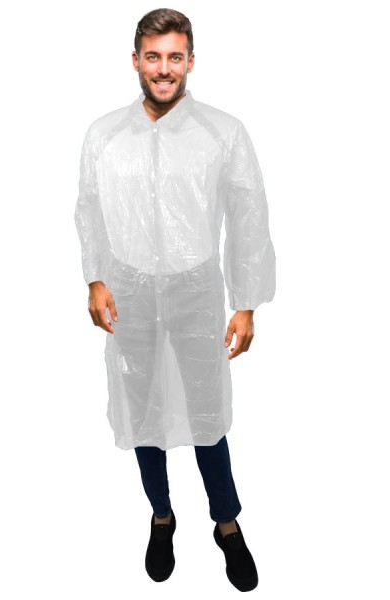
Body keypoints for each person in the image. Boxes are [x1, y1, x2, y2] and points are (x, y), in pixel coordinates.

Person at [74, 8, 275, 592]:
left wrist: (246, 303)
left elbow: (249, 215)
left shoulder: (222, 132)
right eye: (153, 56)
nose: (164, 69)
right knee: (142, 413)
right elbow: (89, 208)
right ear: (135, 60)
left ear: (191, 61)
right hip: (129, 292)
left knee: (206, 412)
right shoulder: (105, 135)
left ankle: (226, 523)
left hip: (196, 292)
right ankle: (161, 517)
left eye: (175, 57)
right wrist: (95, 278)